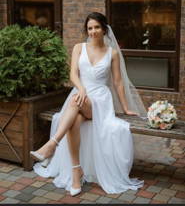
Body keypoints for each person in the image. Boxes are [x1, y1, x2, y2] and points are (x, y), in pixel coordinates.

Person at [30, 12, 146, 196]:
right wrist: (81, 89)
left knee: (76, 103)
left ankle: (52, 144)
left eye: (97, 27)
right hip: (80, 95)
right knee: (75, 119)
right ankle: (77, 171)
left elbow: (117, 82)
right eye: (90, 28)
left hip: (99, 101)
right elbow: (73, 75)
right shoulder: (78, 47)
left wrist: (125, 108)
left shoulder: (112, 53)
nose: (93, 31)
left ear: (104, 29)